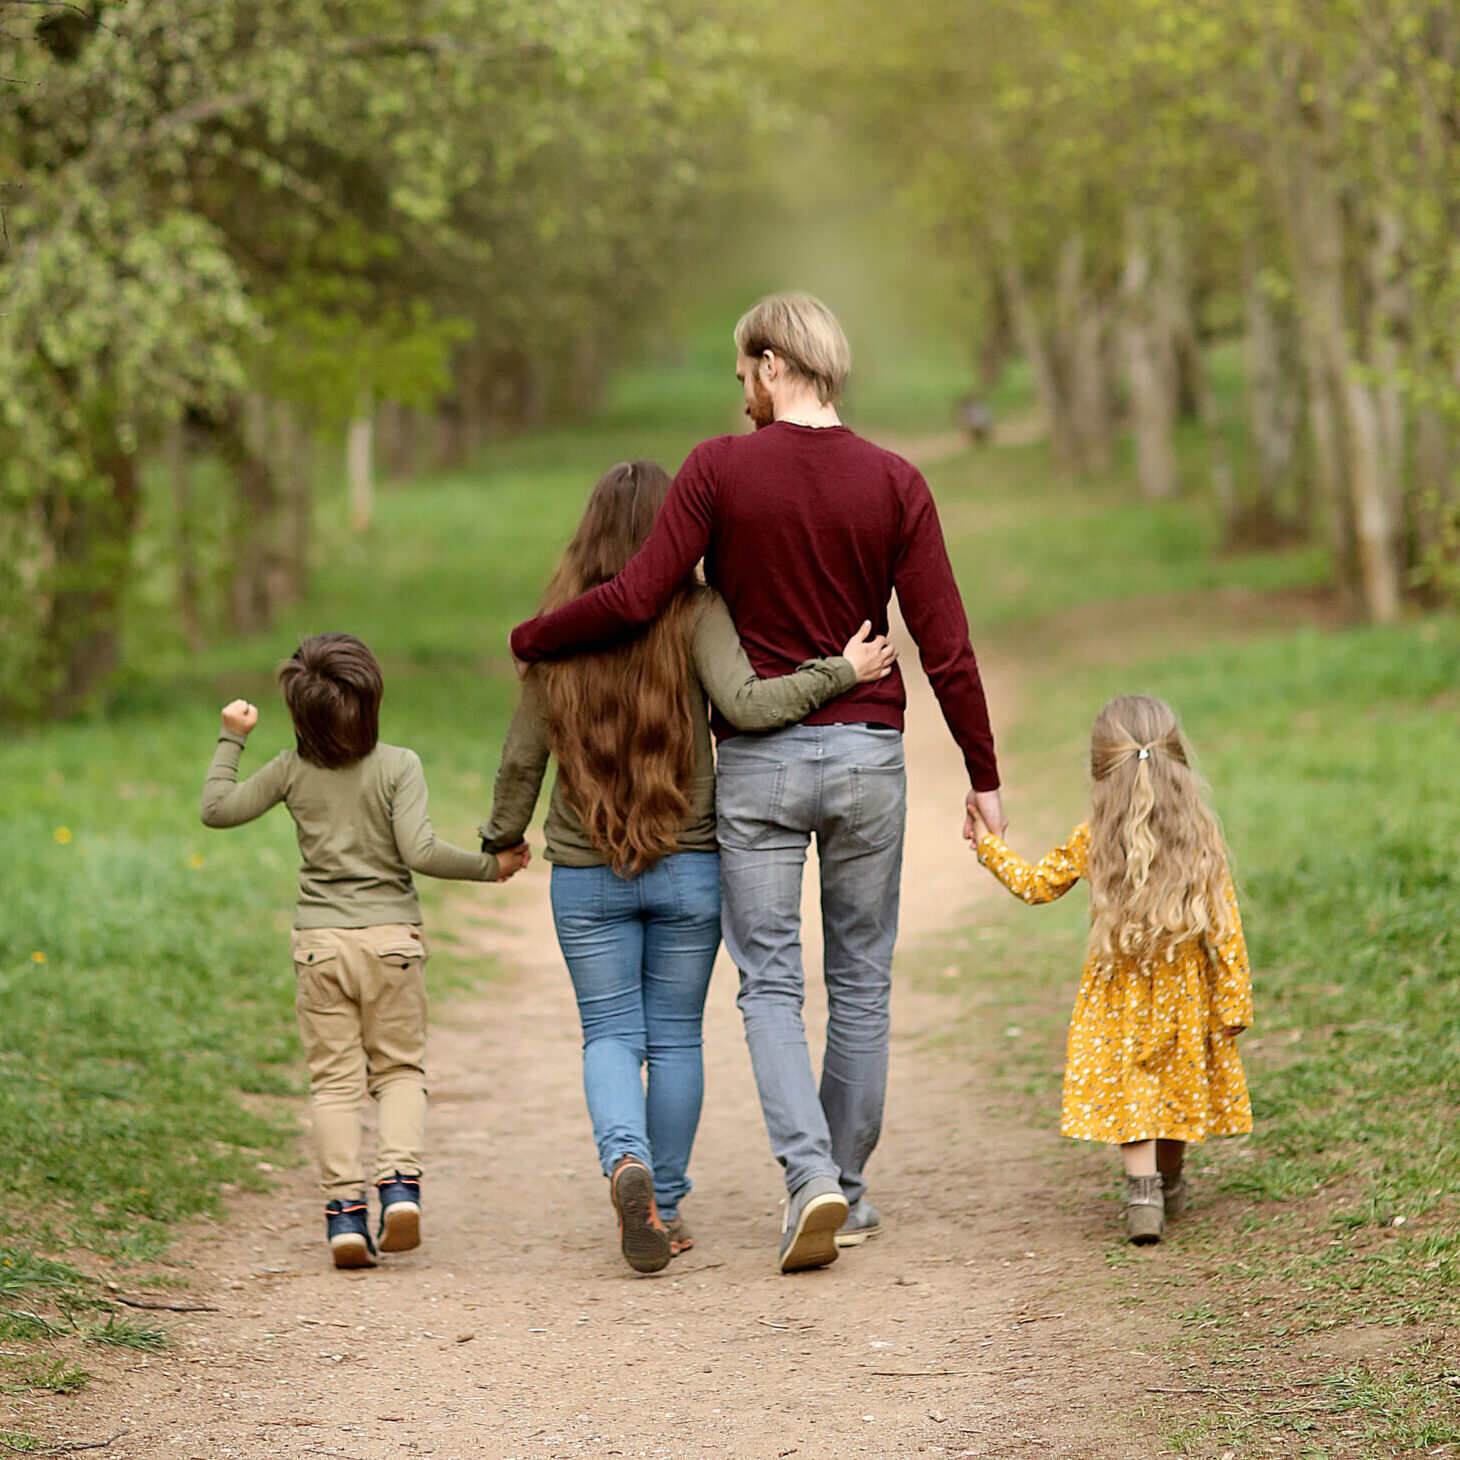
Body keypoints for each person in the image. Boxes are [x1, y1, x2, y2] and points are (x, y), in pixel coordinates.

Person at [509, 294, 1004, 1273]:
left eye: (743, 374)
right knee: (860, 980)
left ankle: (808, 1175)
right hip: (867, 757)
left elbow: (638, 596)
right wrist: (981, 773)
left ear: (773, 362)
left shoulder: (717, 469)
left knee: (771, 984)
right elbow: (943, 641)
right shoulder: (895, 479)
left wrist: (534, 637)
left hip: (761, 768)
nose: (739, 396)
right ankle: (847, 1191)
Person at [480, 459, 897, 1275]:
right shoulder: (697, 611)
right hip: (690, 863)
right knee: (673, 1037)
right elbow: (746, 706)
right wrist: (841, 672)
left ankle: (624, 1163)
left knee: (608, 1032)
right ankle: (663, 1206)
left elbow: (520, 758)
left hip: (585, 870)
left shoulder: (557, 627)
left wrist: (503, 838)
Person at [200, 633, 528, 1269]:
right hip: (391, 947)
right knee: (400, 1071)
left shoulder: (290, 771)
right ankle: (399, 1188)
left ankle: (344, 1216)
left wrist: (232, 734)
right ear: (371, 701)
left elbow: (216, 809)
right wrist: (492, 867)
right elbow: (421, 852)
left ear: (300, 712)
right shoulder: (399, 765)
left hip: (319, 948)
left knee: (334, 1084)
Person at [968, 695, 1253, 1244]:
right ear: (1178, 761)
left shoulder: (1094, 838)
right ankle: (1169, 1183)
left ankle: (1142, 1196)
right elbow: (1226, 927)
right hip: (1186, 994)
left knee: (1135, 1091)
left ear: (1101, 770)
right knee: (1175, 1089)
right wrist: (1234, 999)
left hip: (1117, 997)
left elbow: (1036, 885)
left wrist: (988, 846)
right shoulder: (1200, 837)